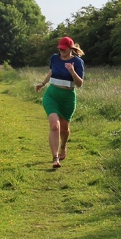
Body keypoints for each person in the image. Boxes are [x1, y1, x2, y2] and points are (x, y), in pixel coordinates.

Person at [35, 36, 85, 168]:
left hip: (67, 97)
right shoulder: (54, 58)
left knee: (64, 128)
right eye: (60, 49)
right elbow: (52, 71)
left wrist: (72, 71)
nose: (61, 51)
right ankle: (55, 158)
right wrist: (42, 83)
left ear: (71, 48)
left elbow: (79, 84)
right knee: (54, 126)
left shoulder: (78, 62)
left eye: (64, 49)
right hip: (52, 95)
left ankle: (63, 146)